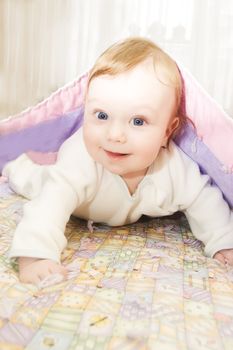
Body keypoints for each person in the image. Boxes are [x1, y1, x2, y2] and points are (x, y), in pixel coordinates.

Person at [3, 37, 233, 285]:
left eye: (138, 121)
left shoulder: (174, 169)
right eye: (101, 115)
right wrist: (36, 256)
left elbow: (205, 199)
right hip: (69, 189)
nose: (114, 135)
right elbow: (48, 207)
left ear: (168, 131)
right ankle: (11, 163)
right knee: (34, 181)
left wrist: (223, 241)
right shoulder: (81, 162)